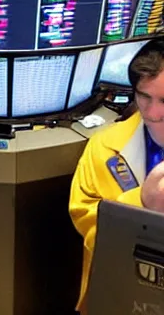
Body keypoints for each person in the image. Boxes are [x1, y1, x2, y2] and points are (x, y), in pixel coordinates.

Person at [70, 38, 164, 313]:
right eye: (144, 96)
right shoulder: (103, 147)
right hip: (117, 292)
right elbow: (85, 220)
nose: (153, 113)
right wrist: (142, 202)